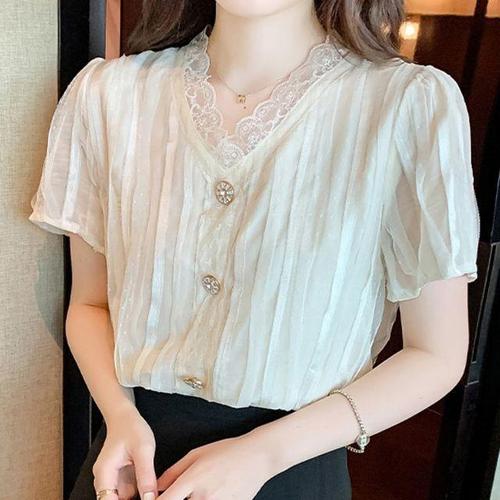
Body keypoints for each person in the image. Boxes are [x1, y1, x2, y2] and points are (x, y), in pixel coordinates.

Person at [28, 1, 481, 499]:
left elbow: (435, 354)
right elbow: (90, 304)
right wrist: (120, 415)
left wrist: (264, 454)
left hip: (295, 472)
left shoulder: (406, 105)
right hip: (134, 469)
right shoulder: (109, 96)